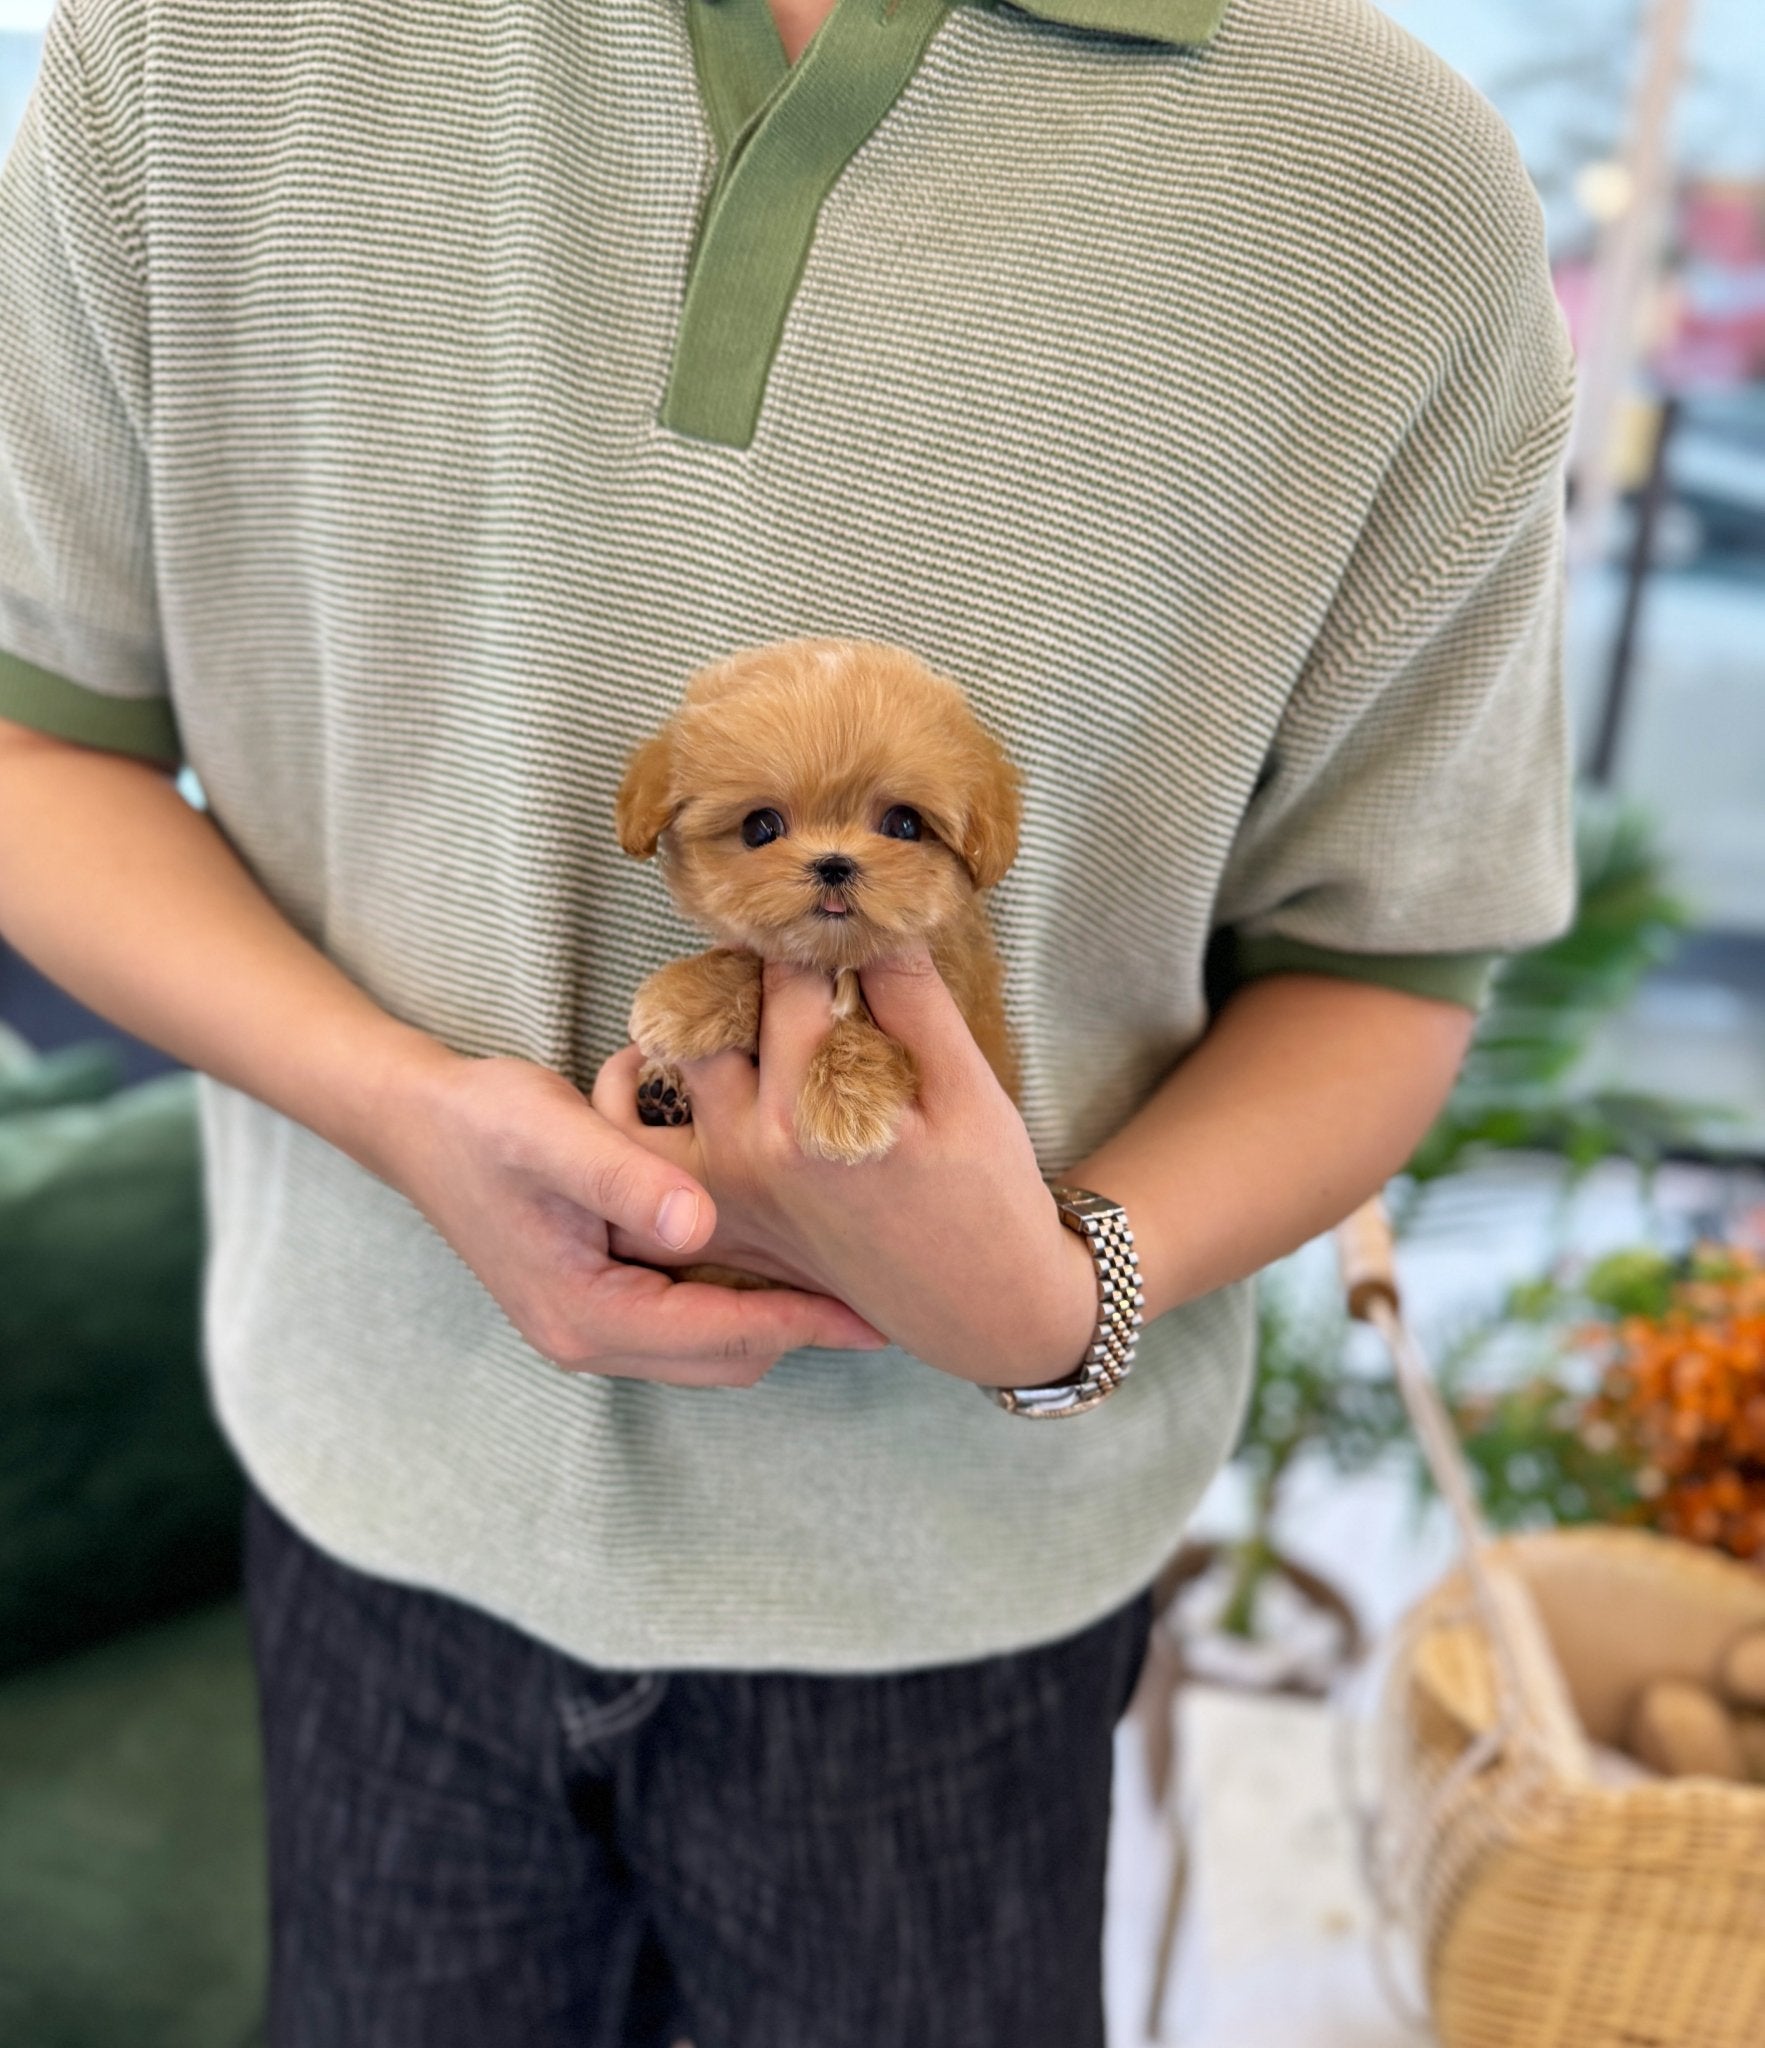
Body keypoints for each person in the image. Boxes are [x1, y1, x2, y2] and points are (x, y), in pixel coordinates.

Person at [0, 0, 1577, 2041]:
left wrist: (1058, 1296)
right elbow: (46, 741)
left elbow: (1384, 968)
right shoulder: (197, 46)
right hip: (367, 1493)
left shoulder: (1388, 198)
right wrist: (402, 1113)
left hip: (961, 1600)